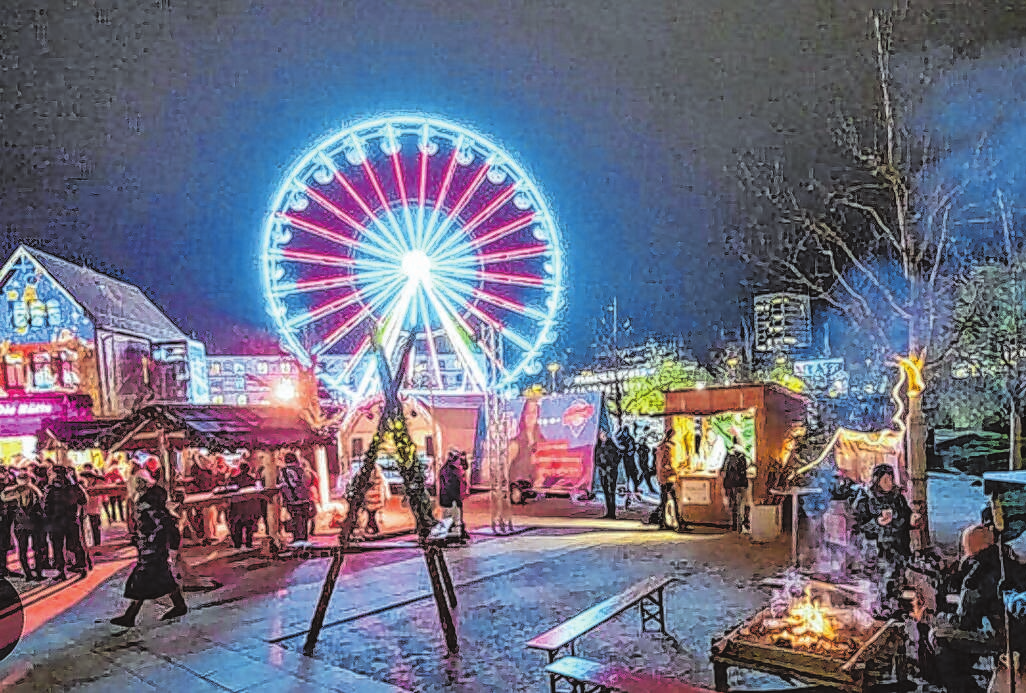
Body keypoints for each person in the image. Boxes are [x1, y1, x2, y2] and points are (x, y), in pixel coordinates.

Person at [111, 470, 187, 626]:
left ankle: (130, 615)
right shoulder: (150, 501)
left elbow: (163, 524)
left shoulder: (147, 504)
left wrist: (155, 541)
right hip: (151, 546)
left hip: (152, 548)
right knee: (161, 577)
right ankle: (178, 605)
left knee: (142, 579)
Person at [1, 470, 46, 581]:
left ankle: (28, 574)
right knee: (36, 549)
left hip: (21, 524)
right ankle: (38, 573)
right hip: (33, 523)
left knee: (23, 549)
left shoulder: (14, 491)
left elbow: (3, 497)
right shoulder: (34, 490)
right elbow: (42, 501)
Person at [654, 428, 688, 530]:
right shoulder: (667, 449)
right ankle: (679, 523)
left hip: (662, 478)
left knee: (665, 500)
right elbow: (666, 465)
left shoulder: (660, 448)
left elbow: (659, 465)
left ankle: (664, 523)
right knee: (675, 500)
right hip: (668, 478)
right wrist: (677, 470)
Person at [278, 452, 314, 542]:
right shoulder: (301, 470)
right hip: (304, 498)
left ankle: (297, 538)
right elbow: (307, 482)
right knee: (304, 520)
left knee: (295, 519)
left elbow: (284, 486)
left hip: (291, 499)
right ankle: (304, 538)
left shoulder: (283, 472)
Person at [227, 462, 261, 549]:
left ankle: (238, 544)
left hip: (237, 505)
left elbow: (229, 490)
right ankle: (249, 542)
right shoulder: (252, 480)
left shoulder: (234, 479)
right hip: (249, 505)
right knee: (249, 524)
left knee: (237, 524)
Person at [721, 433, 750, 534]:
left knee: (733, 505)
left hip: (729, 483)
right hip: (740, 482)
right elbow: (744, 467)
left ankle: (734, 525)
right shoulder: (742, 454)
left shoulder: (729, 454)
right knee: (742, 504)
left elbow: (723, 469)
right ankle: (741, 526)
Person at [439, 450, 468, 539]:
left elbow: (465, 467)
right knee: (452, 517)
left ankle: (454, 533)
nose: (460, 461)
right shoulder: (450, 471)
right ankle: (453, 535)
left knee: (451, 517)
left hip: (452, 498)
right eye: (459, 459)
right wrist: (456, 499)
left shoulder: (452, 469)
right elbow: (450, 486)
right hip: (450, 499)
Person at [594, 428, 620, 519]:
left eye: (601, 433)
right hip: (603, 471)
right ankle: (609, 512)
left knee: (611, 491)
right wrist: (599, 466)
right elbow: (596, 457)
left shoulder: (611, 445)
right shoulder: (599, 445)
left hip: (611, 471)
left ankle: (612, 512)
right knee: (606, 491)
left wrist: (611, 465)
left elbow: (617, 457)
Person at [79, 463, 105, 547]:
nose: (88, 479)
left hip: (95, 510)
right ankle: (89, 544)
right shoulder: (83, 485)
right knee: (87, 529)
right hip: (85, 510)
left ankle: (97, 545)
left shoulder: (97, 485)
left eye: (89, 477)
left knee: (95, 527)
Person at [361, 462, 390, 536]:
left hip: (372, 497)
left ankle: (374, 528)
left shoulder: (370, 474)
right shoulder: (379, 475)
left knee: (371, 514)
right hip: (375, 497)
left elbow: (367, 484)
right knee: (371, 514)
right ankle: (371, 528)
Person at [616, 427, 641, 505]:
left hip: (630, 461)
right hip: (627, 461)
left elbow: (630, 449)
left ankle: (633, 492)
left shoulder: (628, 439)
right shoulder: (625, 439)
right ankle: (630, 494)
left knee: (632, 476)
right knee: (629, 477)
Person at [634, 424, 657, 494]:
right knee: (646, 475)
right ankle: (650, 489)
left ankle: (636, 486)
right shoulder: (641, 448)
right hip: (643, 463)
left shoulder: (644, 446)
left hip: (644, 463)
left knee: (644, 475)